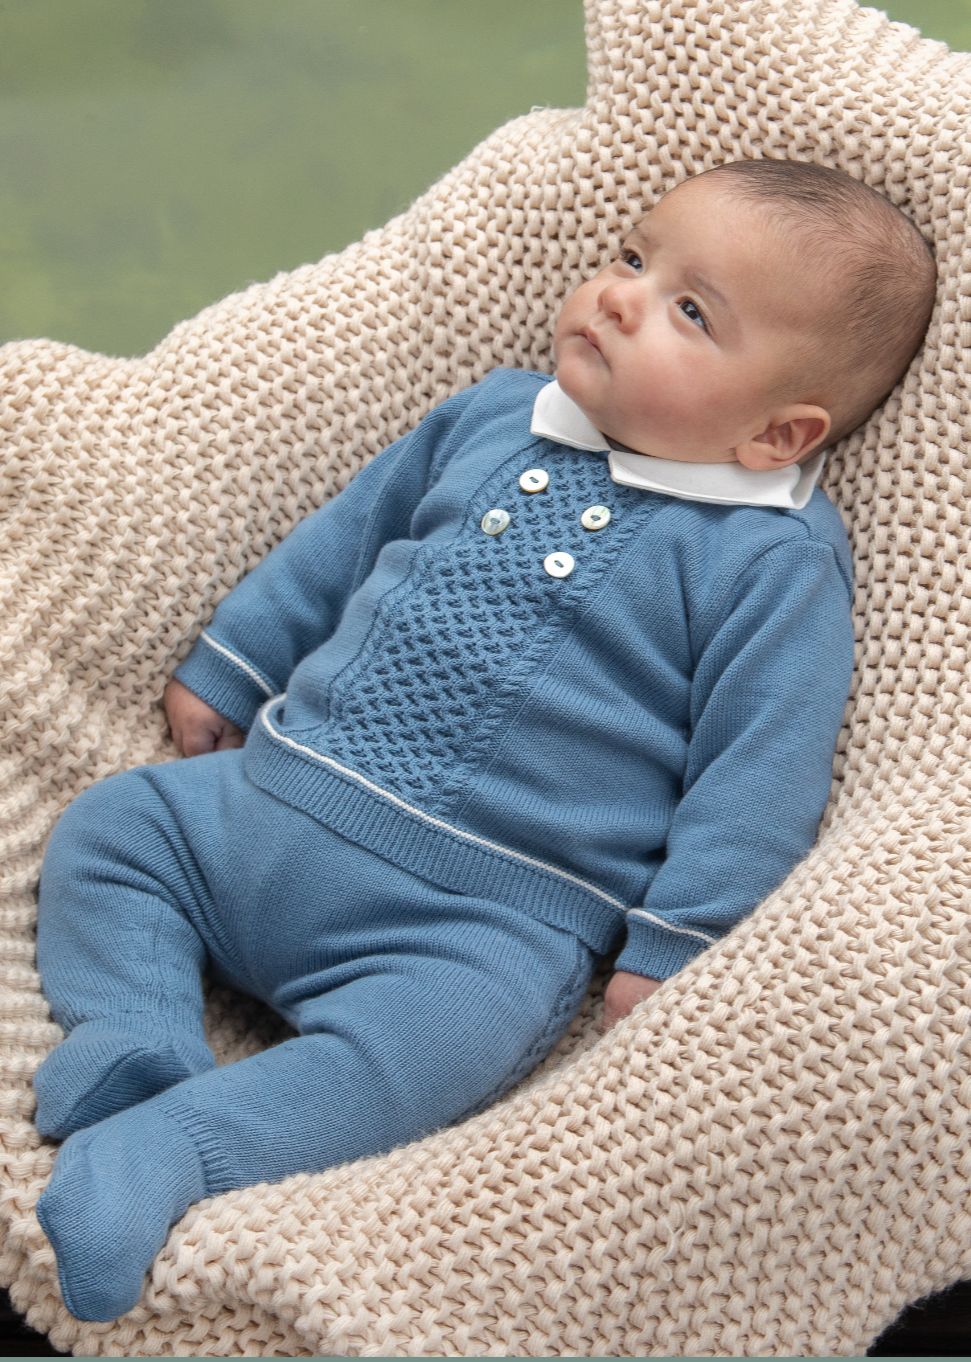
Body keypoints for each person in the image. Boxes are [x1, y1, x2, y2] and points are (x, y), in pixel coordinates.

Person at [32, 158, 935, 1322]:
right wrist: (237, 659)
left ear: (775, 432)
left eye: (688, 310)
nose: (619, 296)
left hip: (478, 917)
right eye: (631, 257)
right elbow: (344, 539)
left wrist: (679, 943)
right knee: (112, 829)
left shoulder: (768, 560)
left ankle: (178, 1148)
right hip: (271, 796)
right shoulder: (495, 415)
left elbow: (759, 768)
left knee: (429, 1058)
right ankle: (134, 1035)